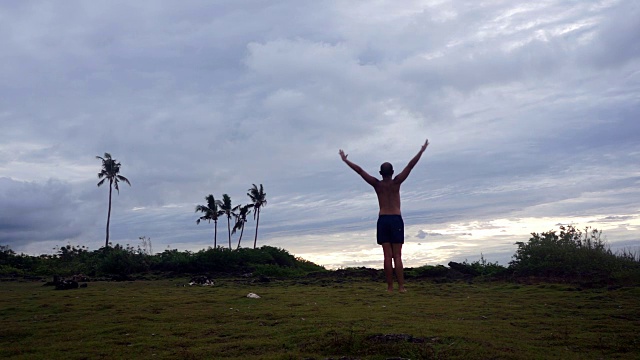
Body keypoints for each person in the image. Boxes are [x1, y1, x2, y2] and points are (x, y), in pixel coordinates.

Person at [339, 139, 429, 292]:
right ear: (392, 172)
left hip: (383, 220)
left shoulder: (377, 184)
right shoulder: (397, 182)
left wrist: (345, 160)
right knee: (397, 256)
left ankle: (389, 288)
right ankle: (401, 287)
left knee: (387, 256)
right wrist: (421, 151)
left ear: (380, 173)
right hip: (395, 219)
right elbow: (410, 166)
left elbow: (360, 171)